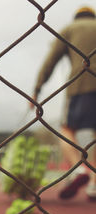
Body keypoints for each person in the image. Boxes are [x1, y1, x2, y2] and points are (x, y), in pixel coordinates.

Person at [32, 6, 96, 200]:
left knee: (66, 130)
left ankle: (79, 169)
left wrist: (37, 89)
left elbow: (50, 61)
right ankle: (94, 184)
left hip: (80, 86)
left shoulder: (69, 29)